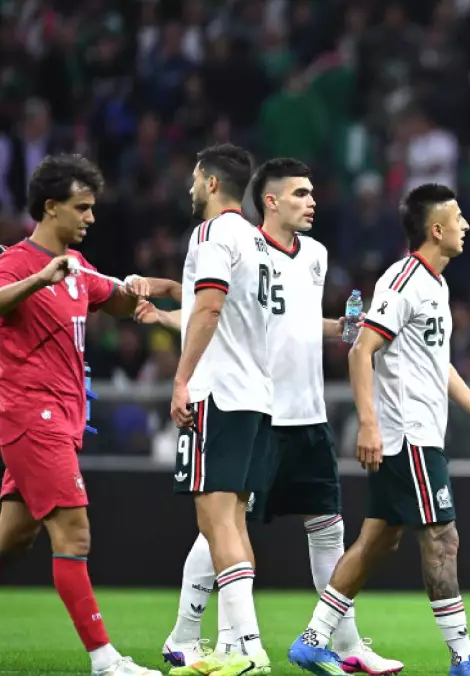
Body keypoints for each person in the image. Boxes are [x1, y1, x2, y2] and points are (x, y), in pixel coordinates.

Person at [144, 158, 403, 675]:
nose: (312, 202)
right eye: (301, 193)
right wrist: (170, 306)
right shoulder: (241, 242)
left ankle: (340, 644)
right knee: (221, 523)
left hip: (301, 410)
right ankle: (196, 635)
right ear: (270, 199)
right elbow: (214, 308)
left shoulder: (315, 255)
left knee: (322, 524)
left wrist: (348, 327)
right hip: (260, 406)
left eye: (312, 193)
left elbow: (293, 322)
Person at [286, 184, 470, 676]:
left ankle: (313, 639)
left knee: (378, 539)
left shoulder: (436, 284)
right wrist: (368, 424)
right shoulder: (403, 281)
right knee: (442, 536)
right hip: (407, 436)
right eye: (458, 218)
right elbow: (360, 349)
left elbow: (438, 364)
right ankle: (463, 657)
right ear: (436, 230)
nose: (466, 225)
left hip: (418, 434)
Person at [0, 154, 178, 675]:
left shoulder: (79, 270)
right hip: (32, 416)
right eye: (82, 208)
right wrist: (41, 279)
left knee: (15, 536)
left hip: (62, 417)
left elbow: (118, 299)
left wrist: (150, 288)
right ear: (50, 208)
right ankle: (106, 660)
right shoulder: (17, 263)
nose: (91, 218)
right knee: (74, 534)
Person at [169, 143, 275, 676]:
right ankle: (233, 648)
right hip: (257, 395)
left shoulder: (211, 235)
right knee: (232, 521)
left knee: (215, 518)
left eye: (194, 178)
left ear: (211, 183)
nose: (191, 187)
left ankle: (249, 649)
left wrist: (182, 377)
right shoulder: (260, 243)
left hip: (219, 391)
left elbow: (209, 306)